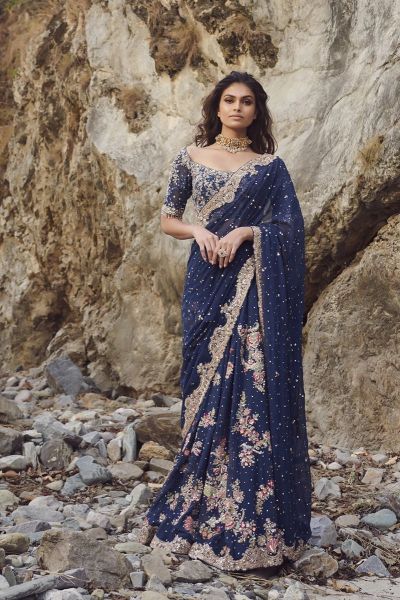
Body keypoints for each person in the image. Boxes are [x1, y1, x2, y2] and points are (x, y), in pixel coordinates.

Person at [138, 71, 312, 573]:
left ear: (257, 111)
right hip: (205, 282)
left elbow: (290, 228)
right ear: (217, 107)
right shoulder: (189, 158)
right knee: (204, 385)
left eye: (247, 101)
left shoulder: (270, 168)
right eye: (230, 99)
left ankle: (256, 523)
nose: (237, 107)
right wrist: (198, 230)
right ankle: (196, 504)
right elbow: (168, 218)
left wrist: (247, 232)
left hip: (252, 286)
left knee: (253, 387)